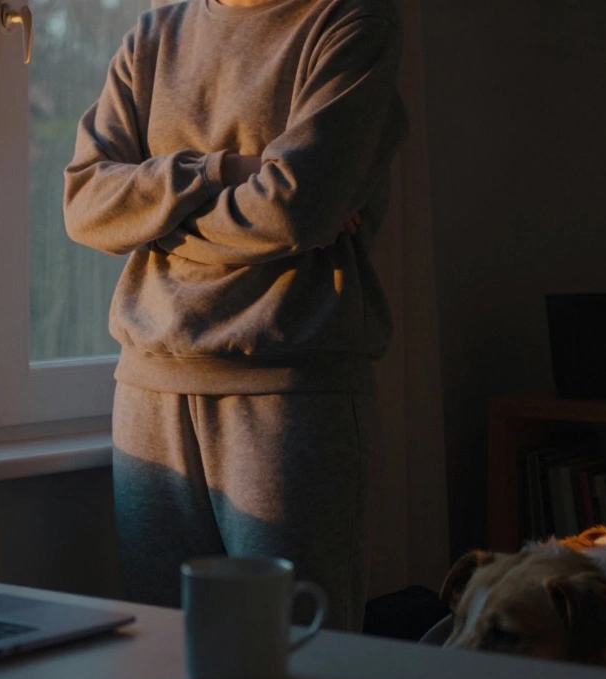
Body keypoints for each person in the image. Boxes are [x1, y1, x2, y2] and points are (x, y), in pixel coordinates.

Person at [62, 0, 408, 631]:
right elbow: (85, 202)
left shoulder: (352, 25)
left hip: (287, 391)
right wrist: (225, 171)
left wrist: (152, 222)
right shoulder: (152, 35)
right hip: (148, 391)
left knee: (302, 663)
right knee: (164, 665)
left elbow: (291, 210)